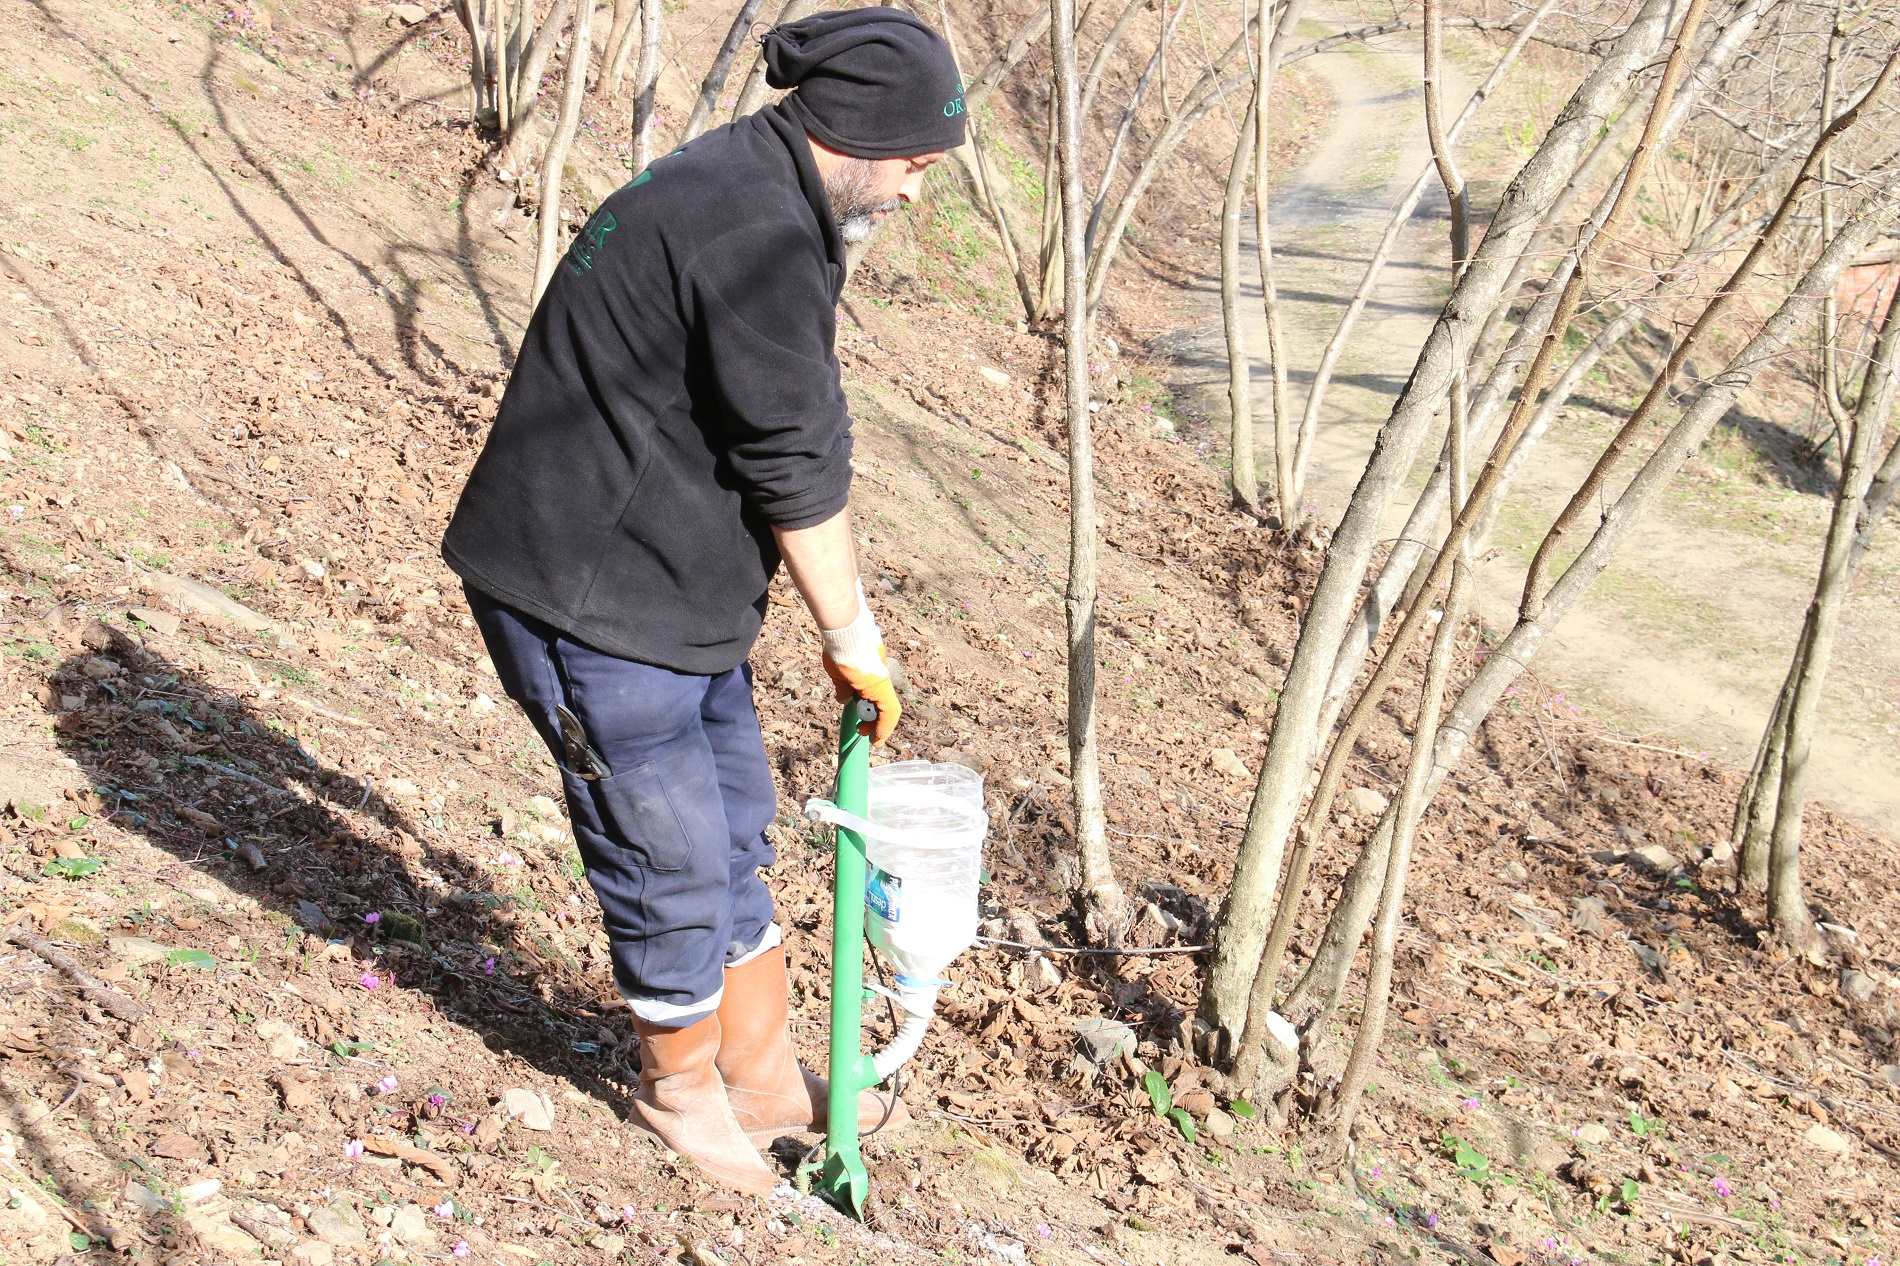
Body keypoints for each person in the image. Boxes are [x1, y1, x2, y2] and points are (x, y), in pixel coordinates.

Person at [440, 6, 966, 1196]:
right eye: (918, 167)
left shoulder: (763, 188)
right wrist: (850, 635)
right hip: (588, 591)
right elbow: (795, 455)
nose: (917, 195)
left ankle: (768, 1076)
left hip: (674, 582)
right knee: (664, 847)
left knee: (733, 827)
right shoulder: (748, 229)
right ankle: (679, 1092)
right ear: (858, 133)